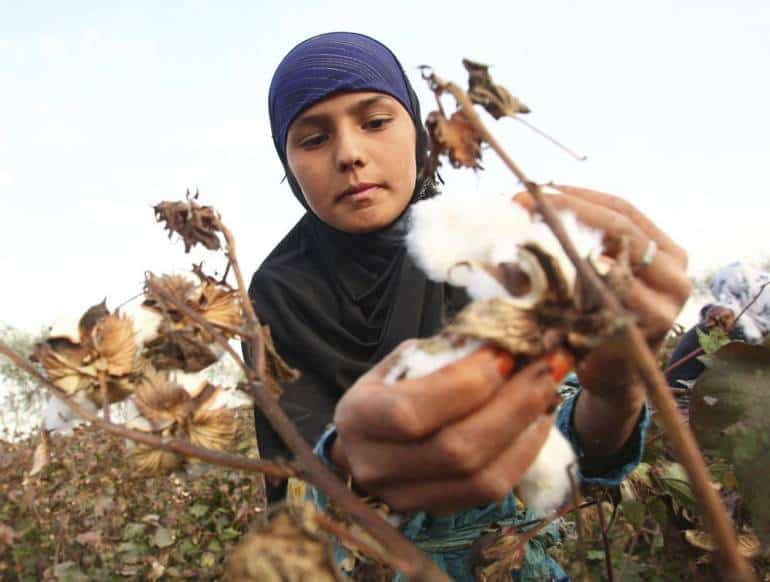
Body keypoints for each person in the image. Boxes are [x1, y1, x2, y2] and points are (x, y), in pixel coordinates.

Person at [246, 32, 691, 581]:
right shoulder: (276, 292)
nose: (350, 154)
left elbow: (573, 449)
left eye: (375, 122)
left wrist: (617, 388)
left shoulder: (474, 241)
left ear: (417, 130)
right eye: (313, 139)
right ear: (287, 164)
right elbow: (297, 495)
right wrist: (349, 462)